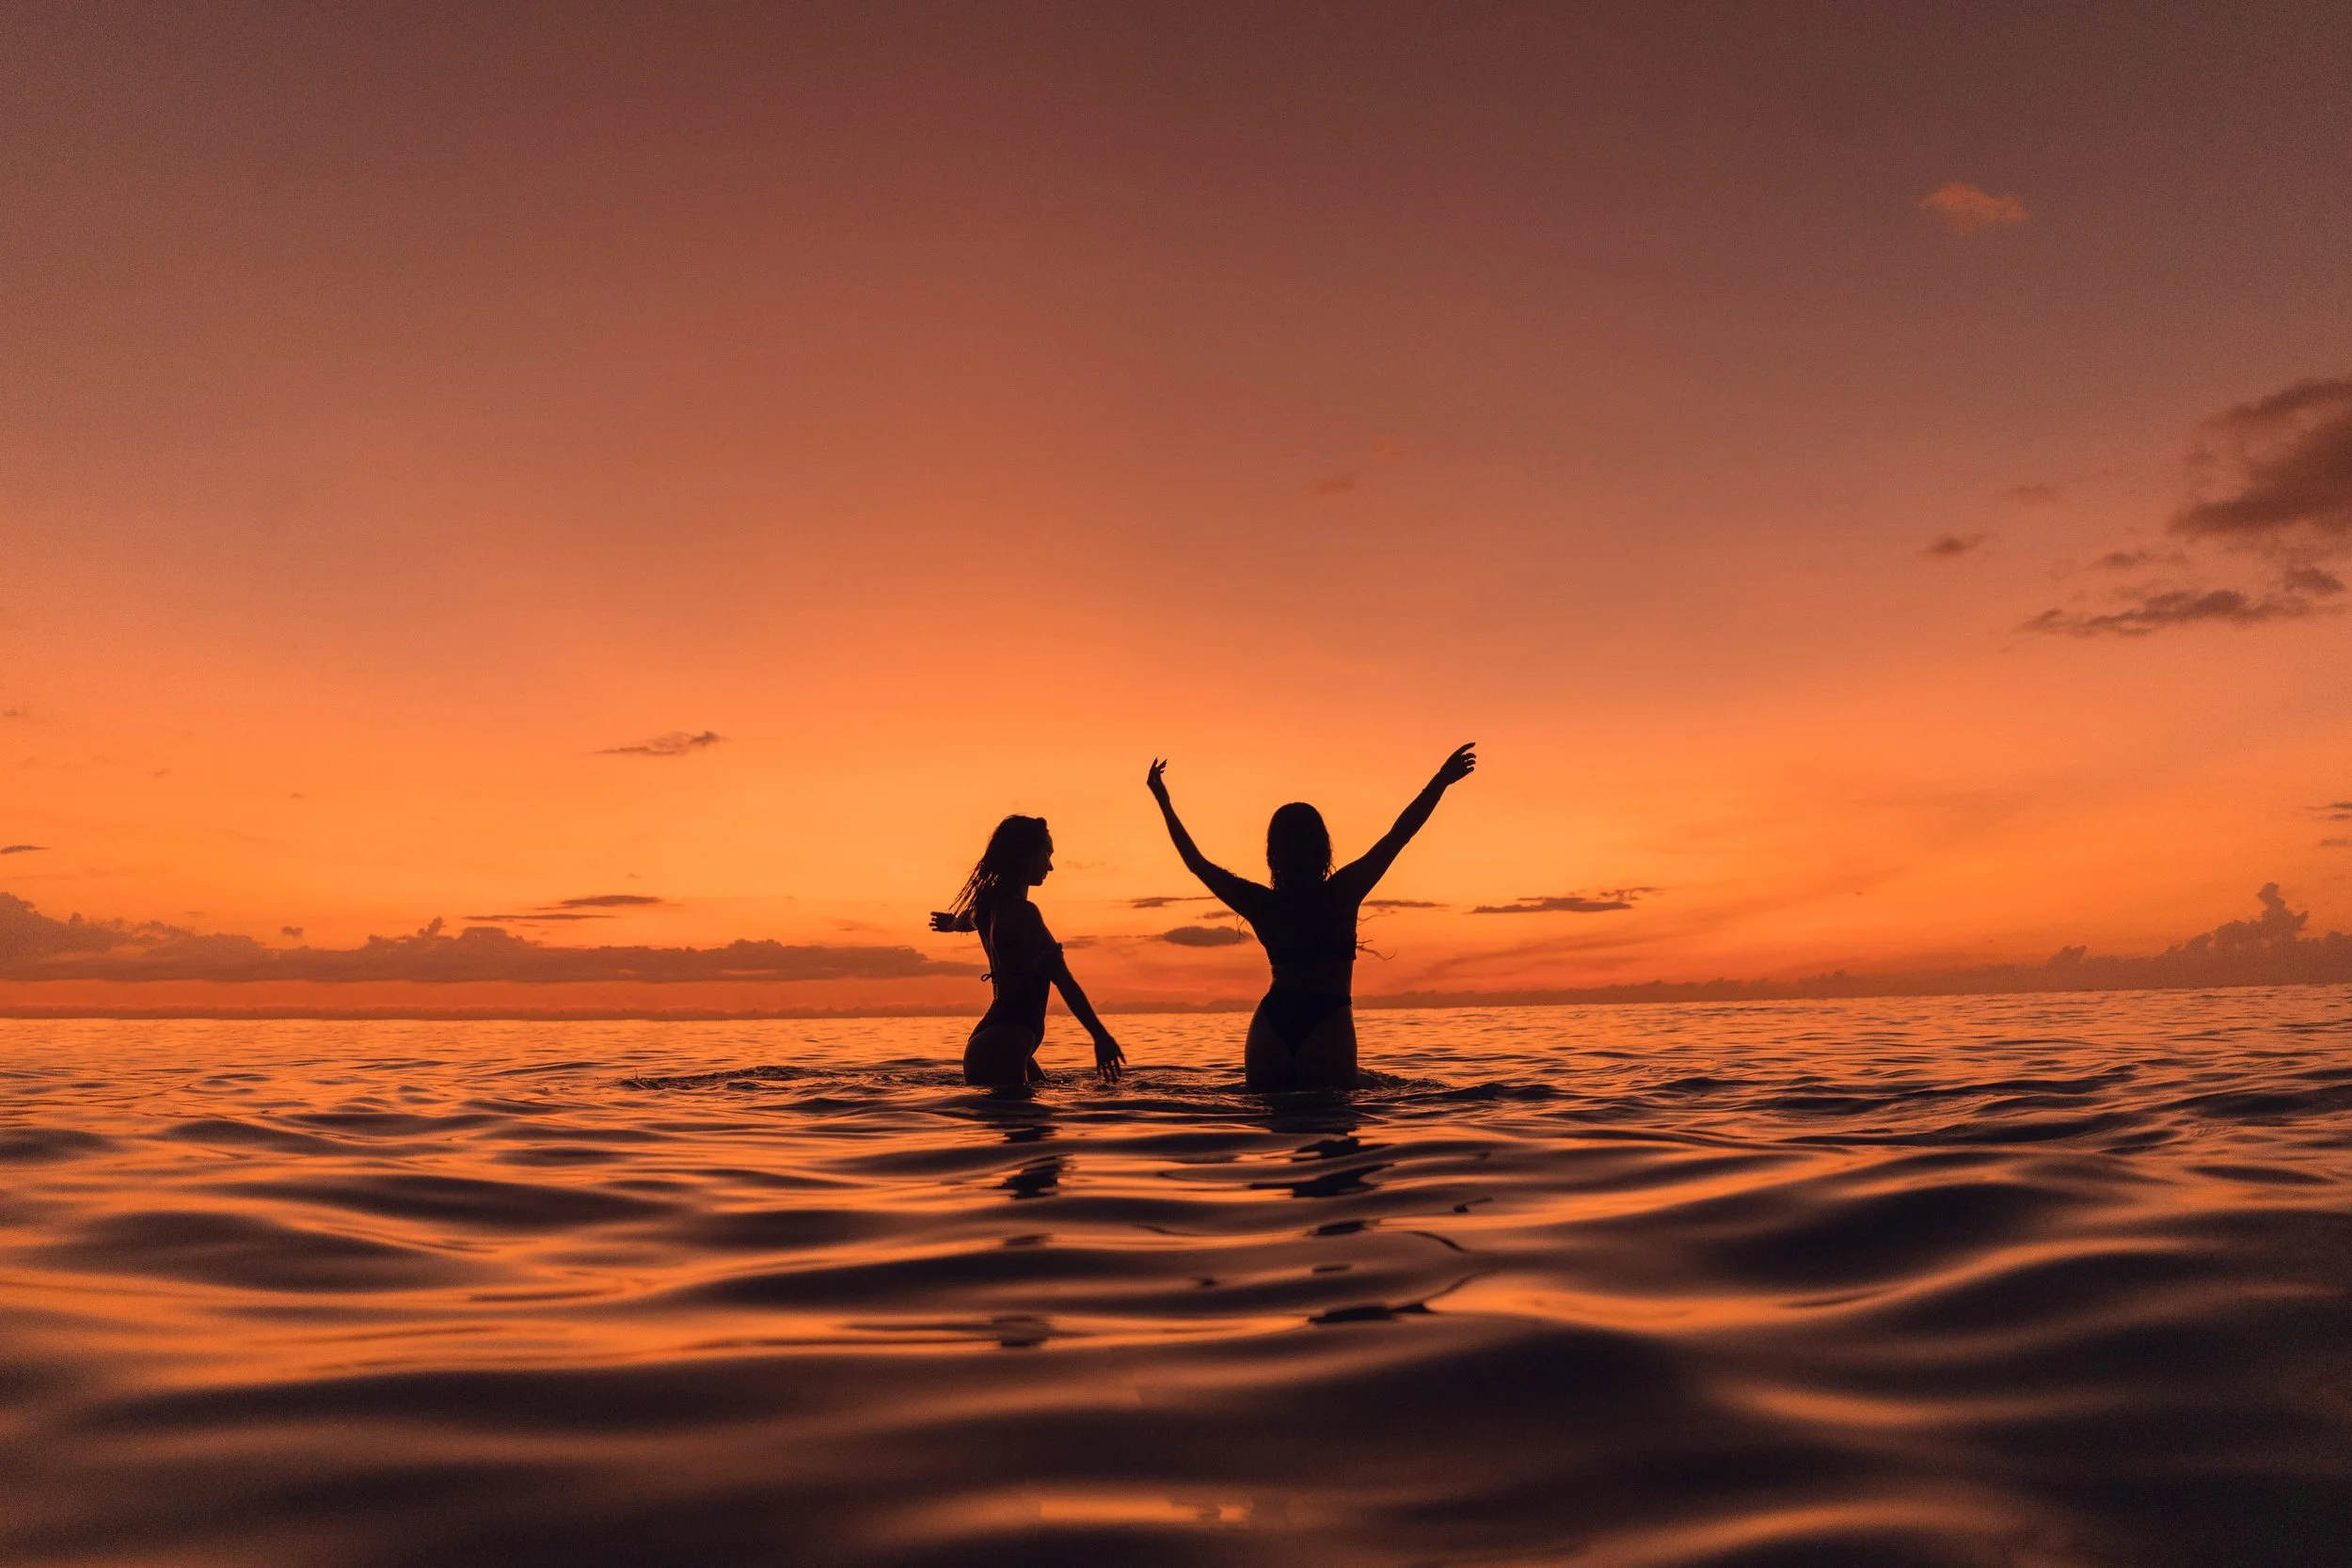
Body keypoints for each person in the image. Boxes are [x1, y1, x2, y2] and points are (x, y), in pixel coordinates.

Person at [1147, 744, 1476, 1091]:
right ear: (1323, 847)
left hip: (1270, 1026)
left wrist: (1163, 802)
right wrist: (1440, 781)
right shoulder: (1343, 891)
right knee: (1332, 1124)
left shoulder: (1263, 904)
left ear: (1273, 852)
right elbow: (1399, 835)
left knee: (1272, 1125)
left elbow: (1196, 863)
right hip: (1327, 1020)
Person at [930, 815, 1126, 1088]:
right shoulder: (1023, 913)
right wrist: (1101, 1037)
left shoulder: (989, 905)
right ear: (1026, 855)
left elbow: (966, 919)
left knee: (1047, 1095)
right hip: (1005, 1043)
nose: (1051, 866)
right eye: (1047, 853)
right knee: (1030, 1126)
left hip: (994, 1041)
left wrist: (950, 924)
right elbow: (1063, 980)